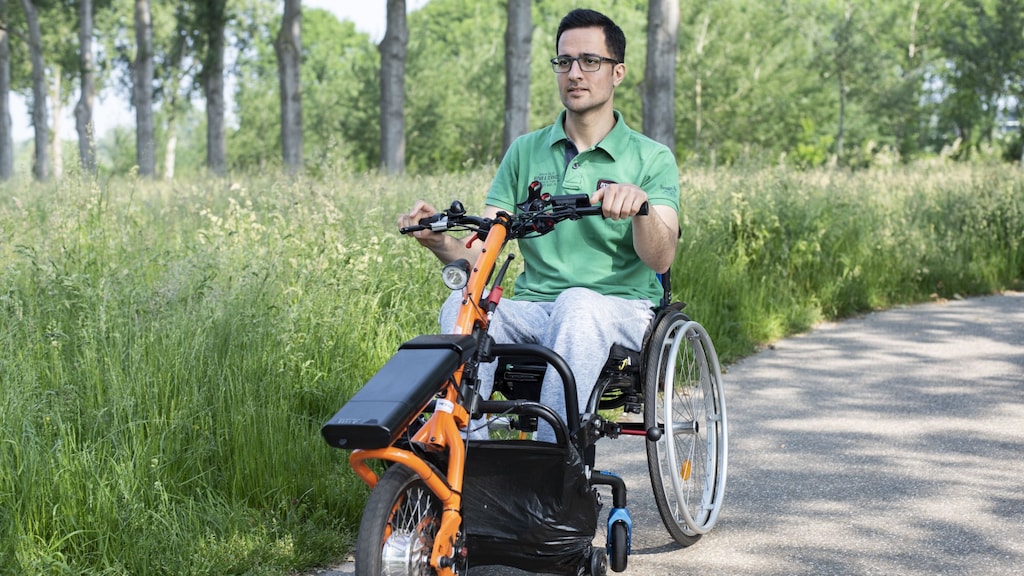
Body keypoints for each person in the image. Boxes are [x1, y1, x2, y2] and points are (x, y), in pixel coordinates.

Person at [398, 8, 680, 440]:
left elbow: (660, 256)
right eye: (564, 61)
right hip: (537, 308)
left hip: (619, 308)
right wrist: (438, 241)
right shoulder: (525, 151)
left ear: (617, 72)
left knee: (577, 305)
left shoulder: (651, 157)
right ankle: (466, 467)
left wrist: (641, 208)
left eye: (590, 61)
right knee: (460, 307)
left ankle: (553, 471)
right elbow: (483, 253)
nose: (575, 73)